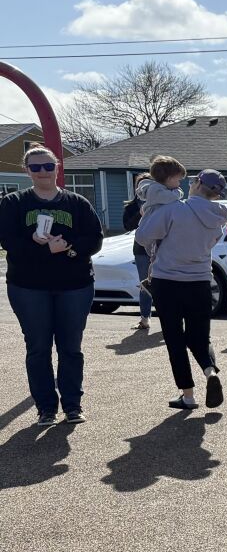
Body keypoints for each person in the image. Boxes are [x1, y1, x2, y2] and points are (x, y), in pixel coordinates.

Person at [0, 144, 102, 425]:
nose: (43, 172)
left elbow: (94, 239)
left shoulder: (77, 203)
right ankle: (46, 407)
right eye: (36, 167)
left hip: (75, 285)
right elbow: (8, 241)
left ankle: (72, 405)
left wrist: (67, 249)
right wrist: (39, 246)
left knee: (71, 347)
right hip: (28, 286)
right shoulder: (13, 203)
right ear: (27, 171)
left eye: (48, 166)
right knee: (38, 347)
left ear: (57, 167)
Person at [136, 169, 227, 410]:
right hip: (200, 281)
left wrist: (147, 212)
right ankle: (210, 372)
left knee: (174, 339)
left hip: (167, 280)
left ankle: (188, 395)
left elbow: (143, 237)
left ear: (197, 183)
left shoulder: (174, 210)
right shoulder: (218, 217)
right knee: (199, 336)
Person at [122, 173, 155, 332]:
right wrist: (139, 213)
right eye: (140, 185)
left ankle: (170, 317)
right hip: (141, 249)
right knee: (145, 284)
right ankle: (144, 319)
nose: (144, 188)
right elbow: (127, 226)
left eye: (148, 184)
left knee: (165, 283)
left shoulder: (160, 203)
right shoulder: (131, 206)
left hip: (160, 247)